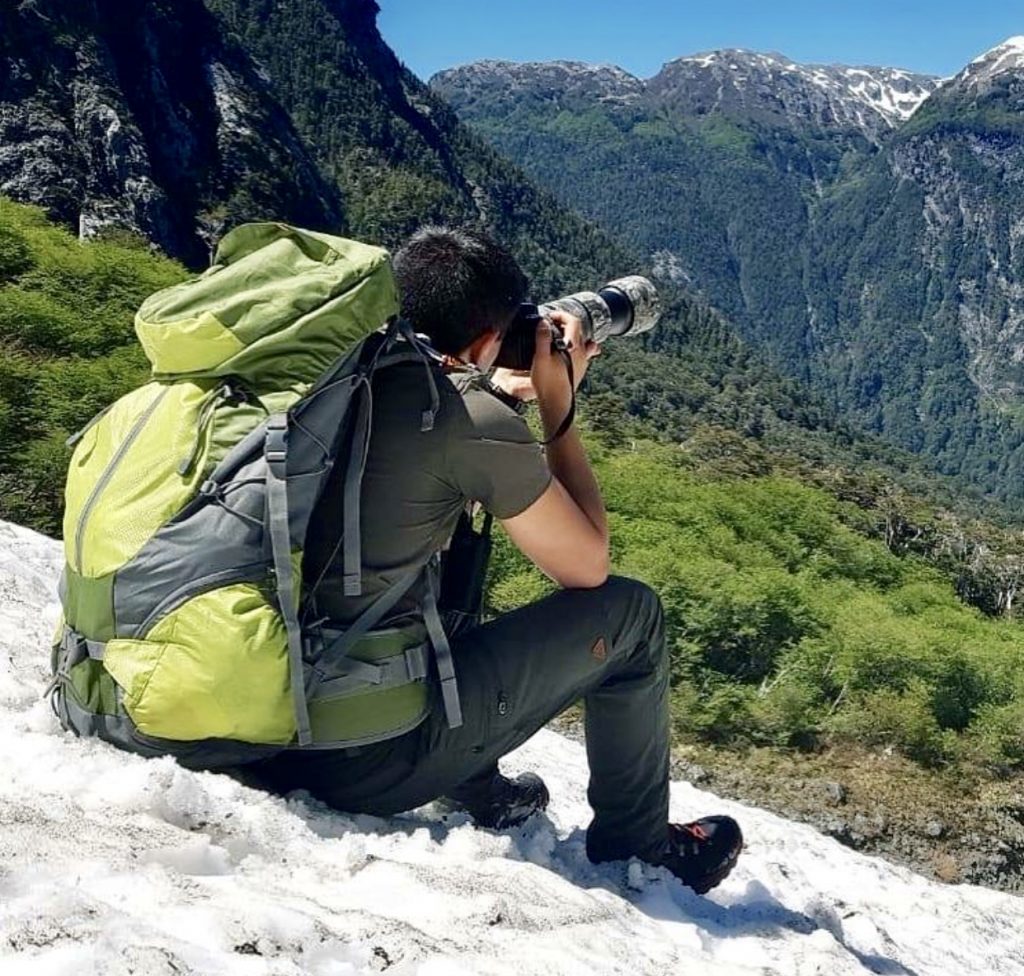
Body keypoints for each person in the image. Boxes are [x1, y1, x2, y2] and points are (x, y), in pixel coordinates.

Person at [241, 225, 743, 894]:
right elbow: (586, 568)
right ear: (484, 342)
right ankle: (641, 847)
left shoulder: (332, 375)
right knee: (633, 617)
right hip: (355, 762)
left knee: (433, 562)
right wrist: (559, 404)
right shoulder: (469, 422)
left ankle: (471, 782)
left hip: (244, 718)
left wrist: (496, 399)